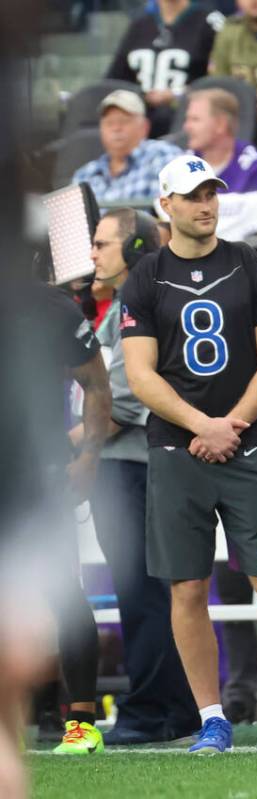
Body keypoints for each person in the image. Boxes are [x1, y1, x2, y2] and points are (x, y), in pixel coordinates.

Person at [119, 154, 257, 754]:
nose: (205, 204)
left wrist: (230, 424)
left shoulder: (246, 263)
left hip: (246, 442)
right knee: (186, 586)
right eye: (193, 195)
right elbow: (140, 375)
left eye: (211, 193)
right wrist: (201, 423)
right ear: (167, 206)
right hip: (178, 448)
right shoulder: (145, 276)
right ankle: (211, 716)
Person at [79, 209, 199, 745]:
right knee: (147, 590)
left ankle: (151, 711)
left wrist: (65, 449)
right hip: (130, 463)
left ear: (133, 251)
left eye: (103, 244)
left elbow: (122, 400)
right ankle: (177, 709)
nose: (93, 254)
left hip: (133, 464)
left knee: (141, 591)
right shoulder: (128, 304)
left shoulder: (138, 302)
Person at [20, 280, 111, 756]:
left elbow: (96, 382)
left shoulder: (51, 305)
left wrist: (89, 456)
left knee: (61, 592)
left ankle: (80, 720)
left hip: (38, 469)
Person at [105, 0, 223, 136]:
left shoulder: (211, 22)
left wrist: (178, 95)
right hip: (140, 123)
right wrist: (139, 96)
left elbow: (221, 82)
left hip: (188, 123)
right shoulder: (139, 25)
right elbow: (114, 79)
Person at [71, 90, 183, 204]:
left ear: (144, 127)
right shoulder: (84, 175)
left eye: (123, 121)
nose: (116, 128)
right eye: (109, 123)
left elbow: (171, 213)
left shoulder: (162, 155)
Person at [184, 88, 257, 192]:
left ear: (220, 124)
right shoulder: (182, 166)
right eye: (188, 119)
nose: (186, 127)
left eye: (195, 119)